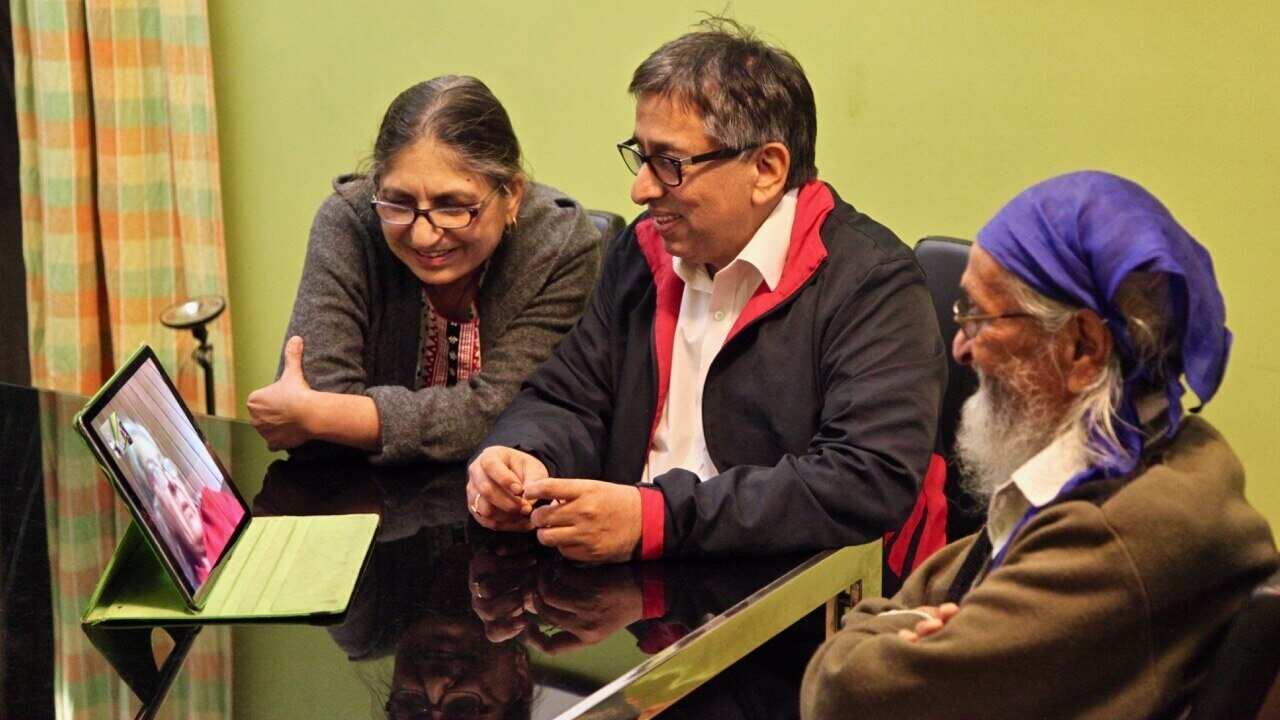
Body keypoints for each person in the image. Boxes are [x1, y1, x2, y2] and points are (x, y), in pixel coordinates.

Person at [800, 171, 1279, 719]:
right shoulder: (1154, 450)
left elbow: (843, 693)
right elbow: (951, 576)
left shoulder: (1111, 534)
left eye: (978, 318)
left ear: (1081, 347)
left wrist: (880, 627)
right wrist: (908, 620)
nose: (960, 348)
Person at [467, 19, 947, 563]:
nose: (640, 189)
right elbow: (567, 398)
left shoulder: (872, 283)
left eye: (669, 163)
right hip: (634, 577)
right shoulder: (642, 252)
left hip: (791, 591)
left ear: (766, 168)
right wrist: (521, 456)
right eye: (640, 156)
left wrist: (656, 518)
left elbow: (864, 479)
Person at [247, 76, 601, 464]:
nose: (423, 236)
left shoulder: (560, 244)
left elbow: (511, 413)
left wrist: (327, 416)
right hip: (355, 487)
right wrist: (321, 414)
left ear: (512, 194)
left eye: (453, 206)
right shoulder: (350, 220)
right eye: (398, 203)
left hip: (499, 491)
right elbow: (313, 398)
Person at [119, 418, 244, 586]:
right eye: (154, 473)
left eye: (165, 465)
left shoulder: (215, 505)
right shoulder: (184, 579)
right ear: (153, 511)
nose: (172, 483)